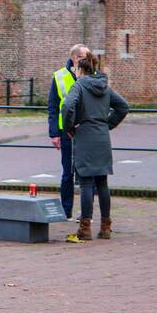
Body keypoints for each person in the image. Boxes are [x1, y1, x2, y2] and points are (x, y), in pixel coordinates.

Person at [61, 51, 129, 241]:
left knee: (85, 183)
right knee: (102, 182)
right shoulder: (104, 87)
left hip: (85, 136)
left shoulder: (79, 85)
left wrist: (69, 126)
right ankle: (106, 227)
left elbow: (67, 106)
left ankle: (85, 227)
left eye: (75, 68)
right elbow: (123, 106)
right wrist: (107, 123)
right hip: (102, 137)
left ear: (80, 69)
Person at [47, 43, 89, 219]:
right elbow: (53, 107)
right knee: (67, 172)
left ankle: (87, 213)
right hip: (66, 131)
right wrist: (54, 133)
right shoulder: (59, 76)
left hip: (87, 130)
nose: (89, 60)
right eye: (85, 56)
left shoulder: (91, 75)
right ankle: (66, 210)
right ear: (75, 58)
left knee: (87, 172)